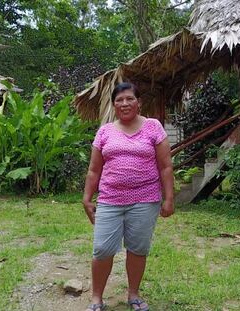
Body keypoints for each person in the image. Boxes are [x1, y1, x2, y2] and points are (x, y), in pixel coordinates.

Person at [83, 82, 174, 311]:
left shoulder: (153, 127)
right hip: (110, 199)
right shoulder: (105, 131)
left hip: (145, 200)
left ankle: (133, 295)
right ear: (114, 105)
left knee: (137, 248)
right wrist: (87, 198)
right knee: (102, 248)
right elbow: (94, 169)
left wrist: (169, 198)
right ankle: (96, 298)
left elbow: (165, 166)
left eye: (129, 99)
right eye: (119, 100)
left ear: (139, 102)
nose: (125, 103)